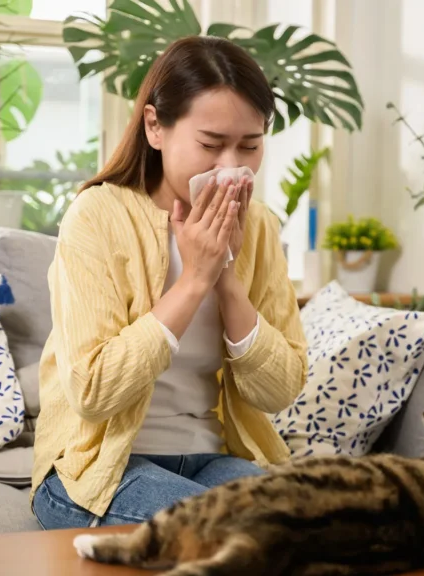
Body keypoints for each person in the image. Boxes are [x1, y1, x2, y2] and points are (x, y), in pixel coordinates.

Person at [29, 36, 308, 529]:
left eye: (250, 145)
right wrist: (194, 279)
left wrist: (226, 276)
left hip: (211, 456)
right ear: (155, 126)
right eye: (211, 144)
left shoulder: (259, 226)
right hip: (99, 468)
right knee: (231, 529)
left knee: (306, 523)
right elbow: (91, 391)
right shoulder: (97, 215)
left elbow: (281, 389)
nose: (231, 168)